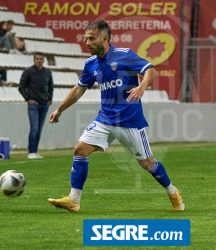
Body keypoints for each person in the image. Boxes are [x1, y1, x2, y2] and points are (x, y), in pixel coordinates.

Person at [47, 20, 184, 213]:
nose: (87, 42)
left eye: (92, 38)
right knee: (80, 150)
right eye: (86, 38)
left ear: (104, 38)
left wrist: (141, 87)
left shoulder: (124, 55)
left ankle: (172, 191)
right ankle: (74, 200)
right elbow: (79, 89)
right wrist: (60, 109)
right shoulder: (91, 63)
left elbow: (150, 70)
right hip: (105, 119)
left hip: (130, 121)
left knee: (147, 163)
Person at [18, 52, 53, 159]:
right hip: (34, 104)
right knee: (34, 128)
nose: (39, 60)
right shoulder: (28, 71)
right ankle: (31, 151)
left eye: (41, 59)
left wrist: (50, 98)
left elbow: (51, 86)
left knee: (39, 129)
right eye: (37, 58)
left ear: (43, 60)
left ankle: (35, 151)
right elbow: (21, 87)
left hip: (44, 104)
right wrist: (28, 99)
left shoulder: (47, 72)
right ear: (34, 60)